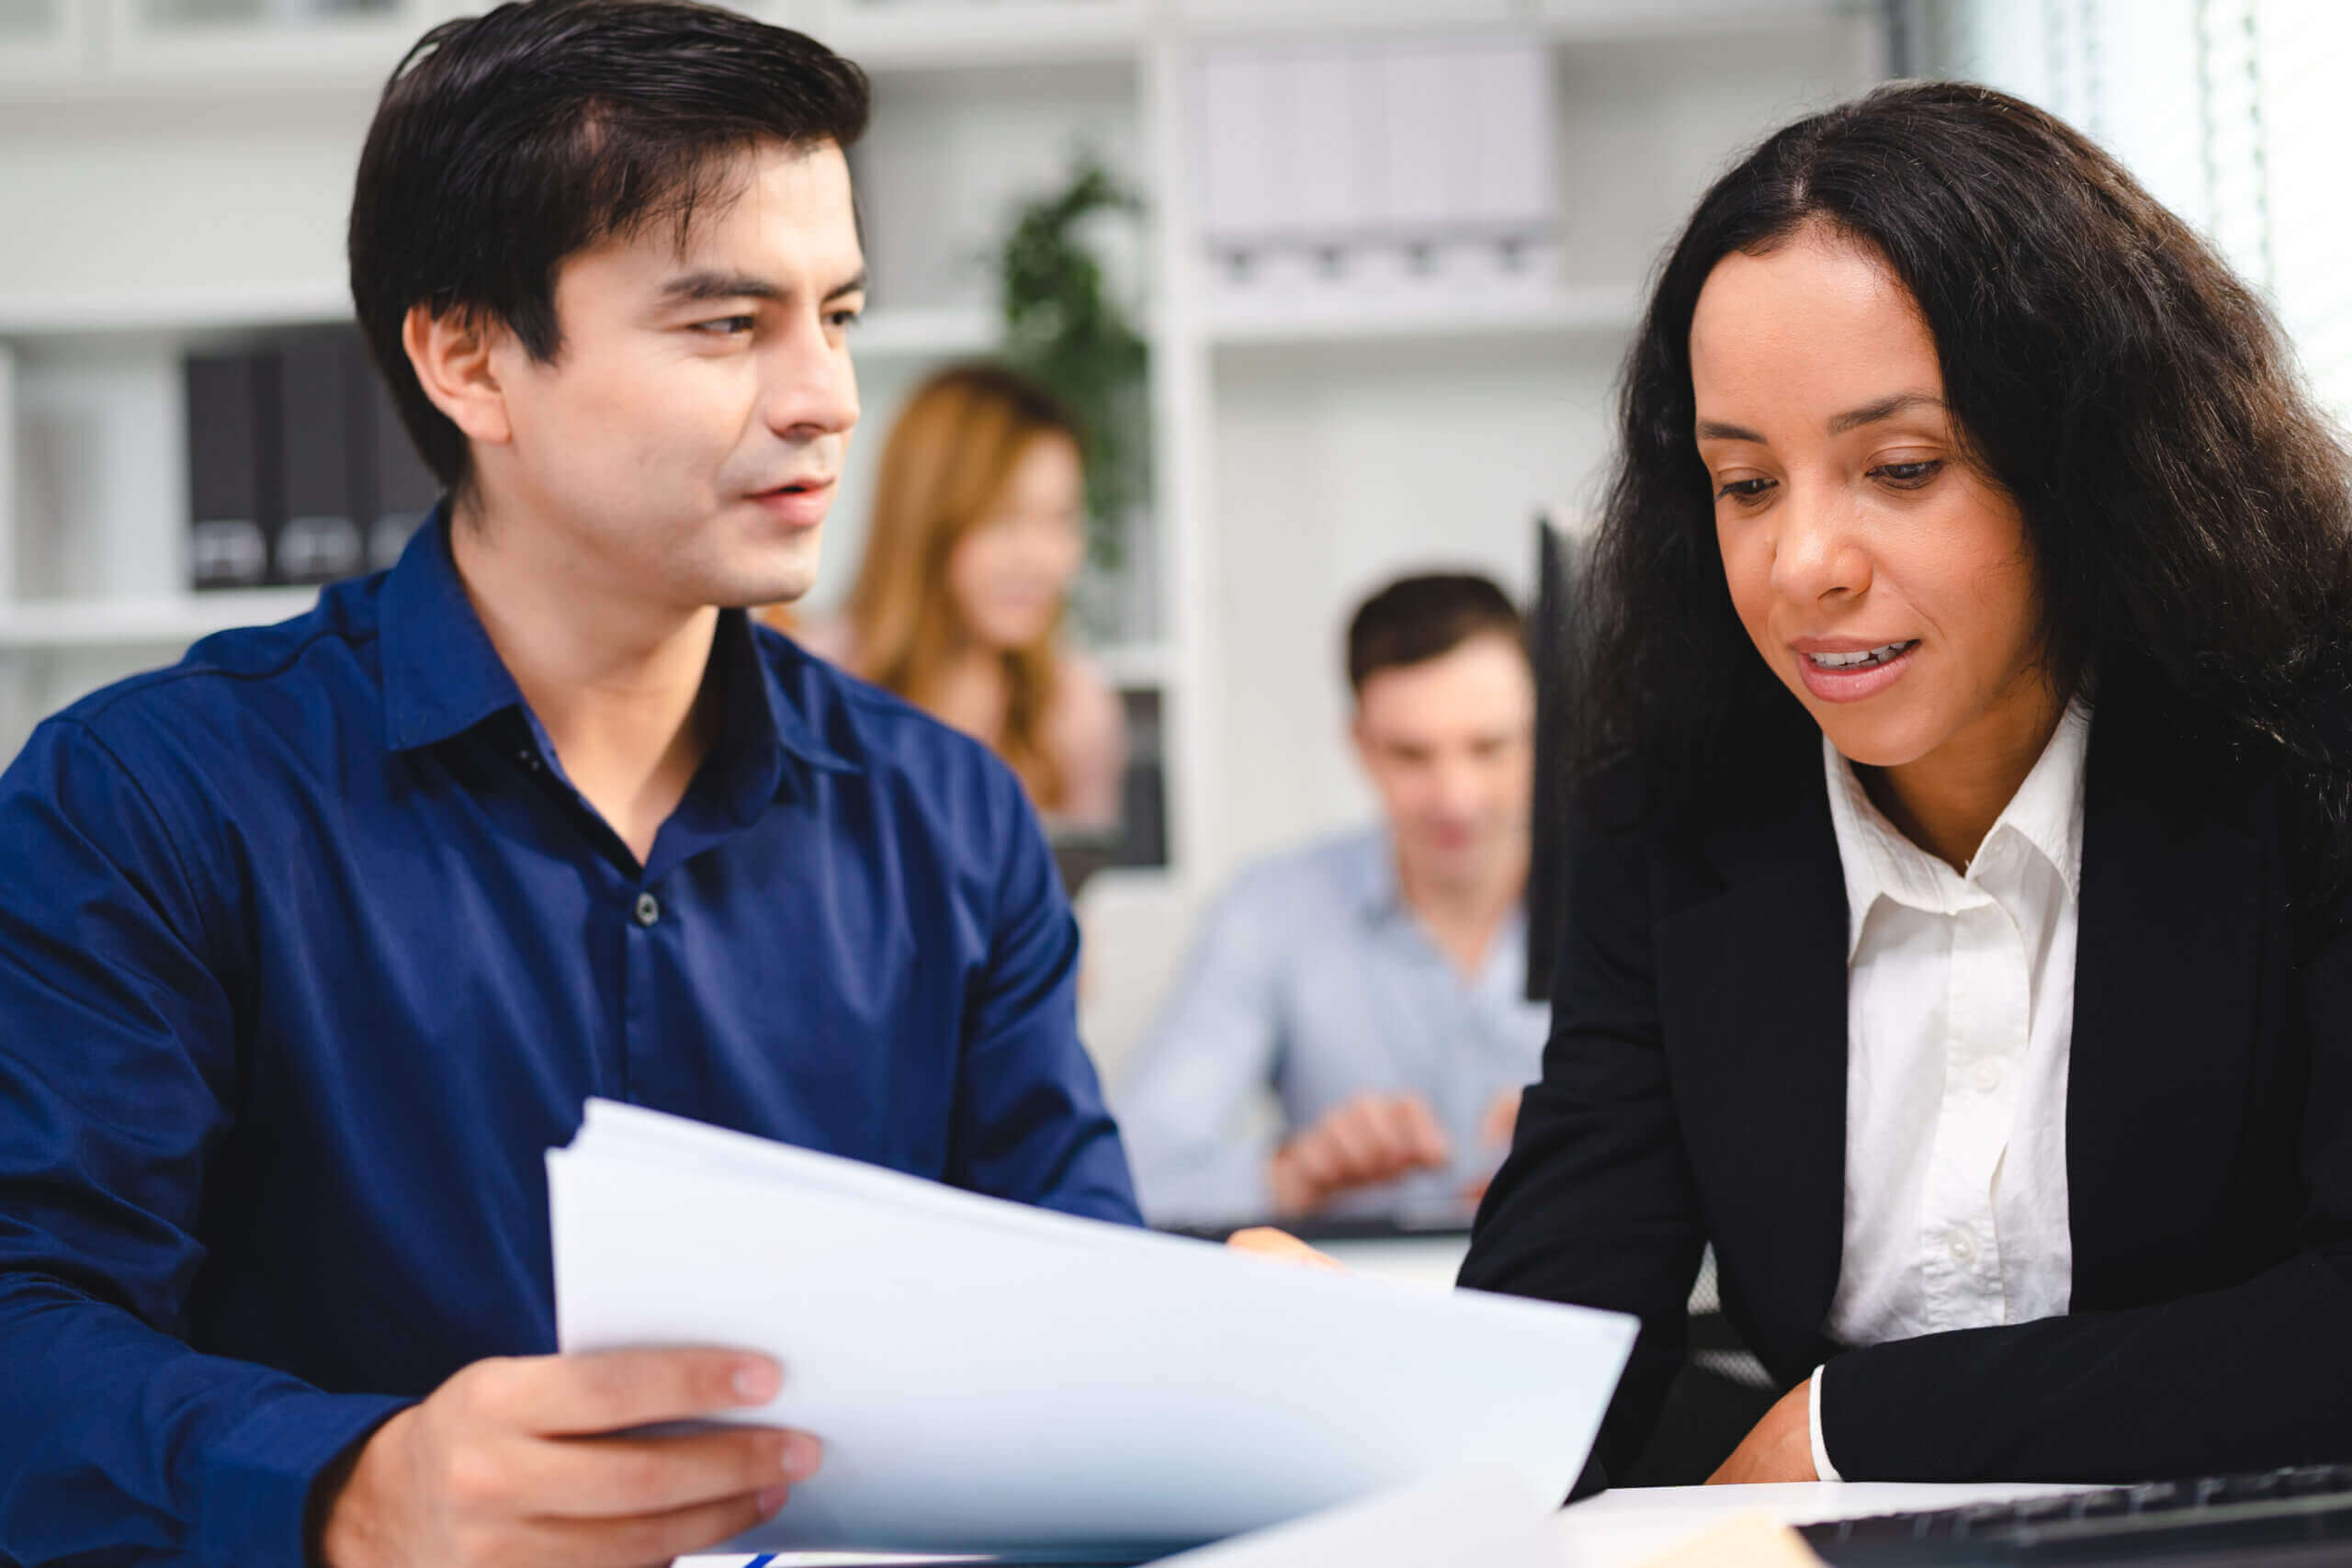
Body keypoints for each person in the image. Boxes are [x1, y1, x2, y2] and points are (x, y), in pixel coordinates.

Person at [0, 4, 1139, 1564]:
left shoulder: (952, 820)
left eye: (842, 313)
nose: (826, 397)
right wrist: (352, 1486)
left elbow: (1067, 1292)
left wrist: (1220, 1349)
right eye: (729, 324)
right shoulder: (150, 802)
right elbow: (30, 1323)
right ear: (469, 354)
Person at [1457, 80, 2352, 1490]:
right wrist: (1341, 1380)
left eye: (1902, 466)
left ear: (2089, 461)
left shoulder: (2316, 739)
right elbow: (1572, 1292)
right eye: (1744, 484)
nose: (1803, 560)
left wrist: (1850, 1426)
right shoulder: (1671, 796)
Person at [1120, 572, 1547, 1224]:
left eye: (1489, 748)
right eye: (1412, 755)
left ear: (1545, 729)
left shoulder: (1634, 906)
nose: (1455, 797)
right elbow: (1136, 1167)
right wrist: (1292, 1176)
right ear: (1361, 746)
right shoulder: (1268, 912)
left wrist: (1611, 1141)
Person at [783, 363, 1127, 829]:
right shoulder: (808, 687)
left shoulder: (1074, 708)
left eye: (1061, 519)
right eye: (1004, 518)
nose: (1041, 559)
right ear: (926, 518)